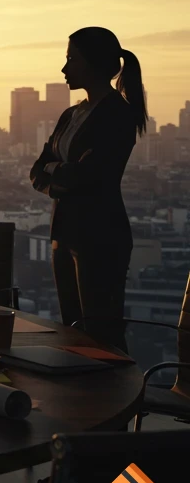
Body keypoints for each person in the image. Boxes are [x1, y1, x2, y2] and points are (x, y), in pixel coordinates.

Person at [30, 27, 146, 350]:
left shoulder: (117, 114)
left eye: (71, 59)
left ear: (92, 63)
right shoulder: (71, 115)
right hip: (64, 232)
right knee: (74, 329)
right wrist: (61, 172)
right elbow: (38, 170)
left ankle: (112, 396)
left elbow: (92, 174)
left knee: (101, 333)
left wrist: (56, 171)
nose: (64, 68)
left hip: (100, 233)